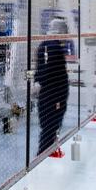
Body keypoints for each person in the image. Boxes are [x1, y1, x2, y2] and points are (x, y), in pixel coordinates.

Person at [35, 15, 69, 154]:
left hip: (46, 95)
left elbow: (41, 70)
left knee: (47, 128)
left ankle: (46, 152)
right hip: (54, 97)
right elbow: (54, 74)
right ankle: (43, 155)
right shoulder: (55, 48)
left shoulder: (43, 45)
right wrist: (59, 99)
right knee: (50, 128)